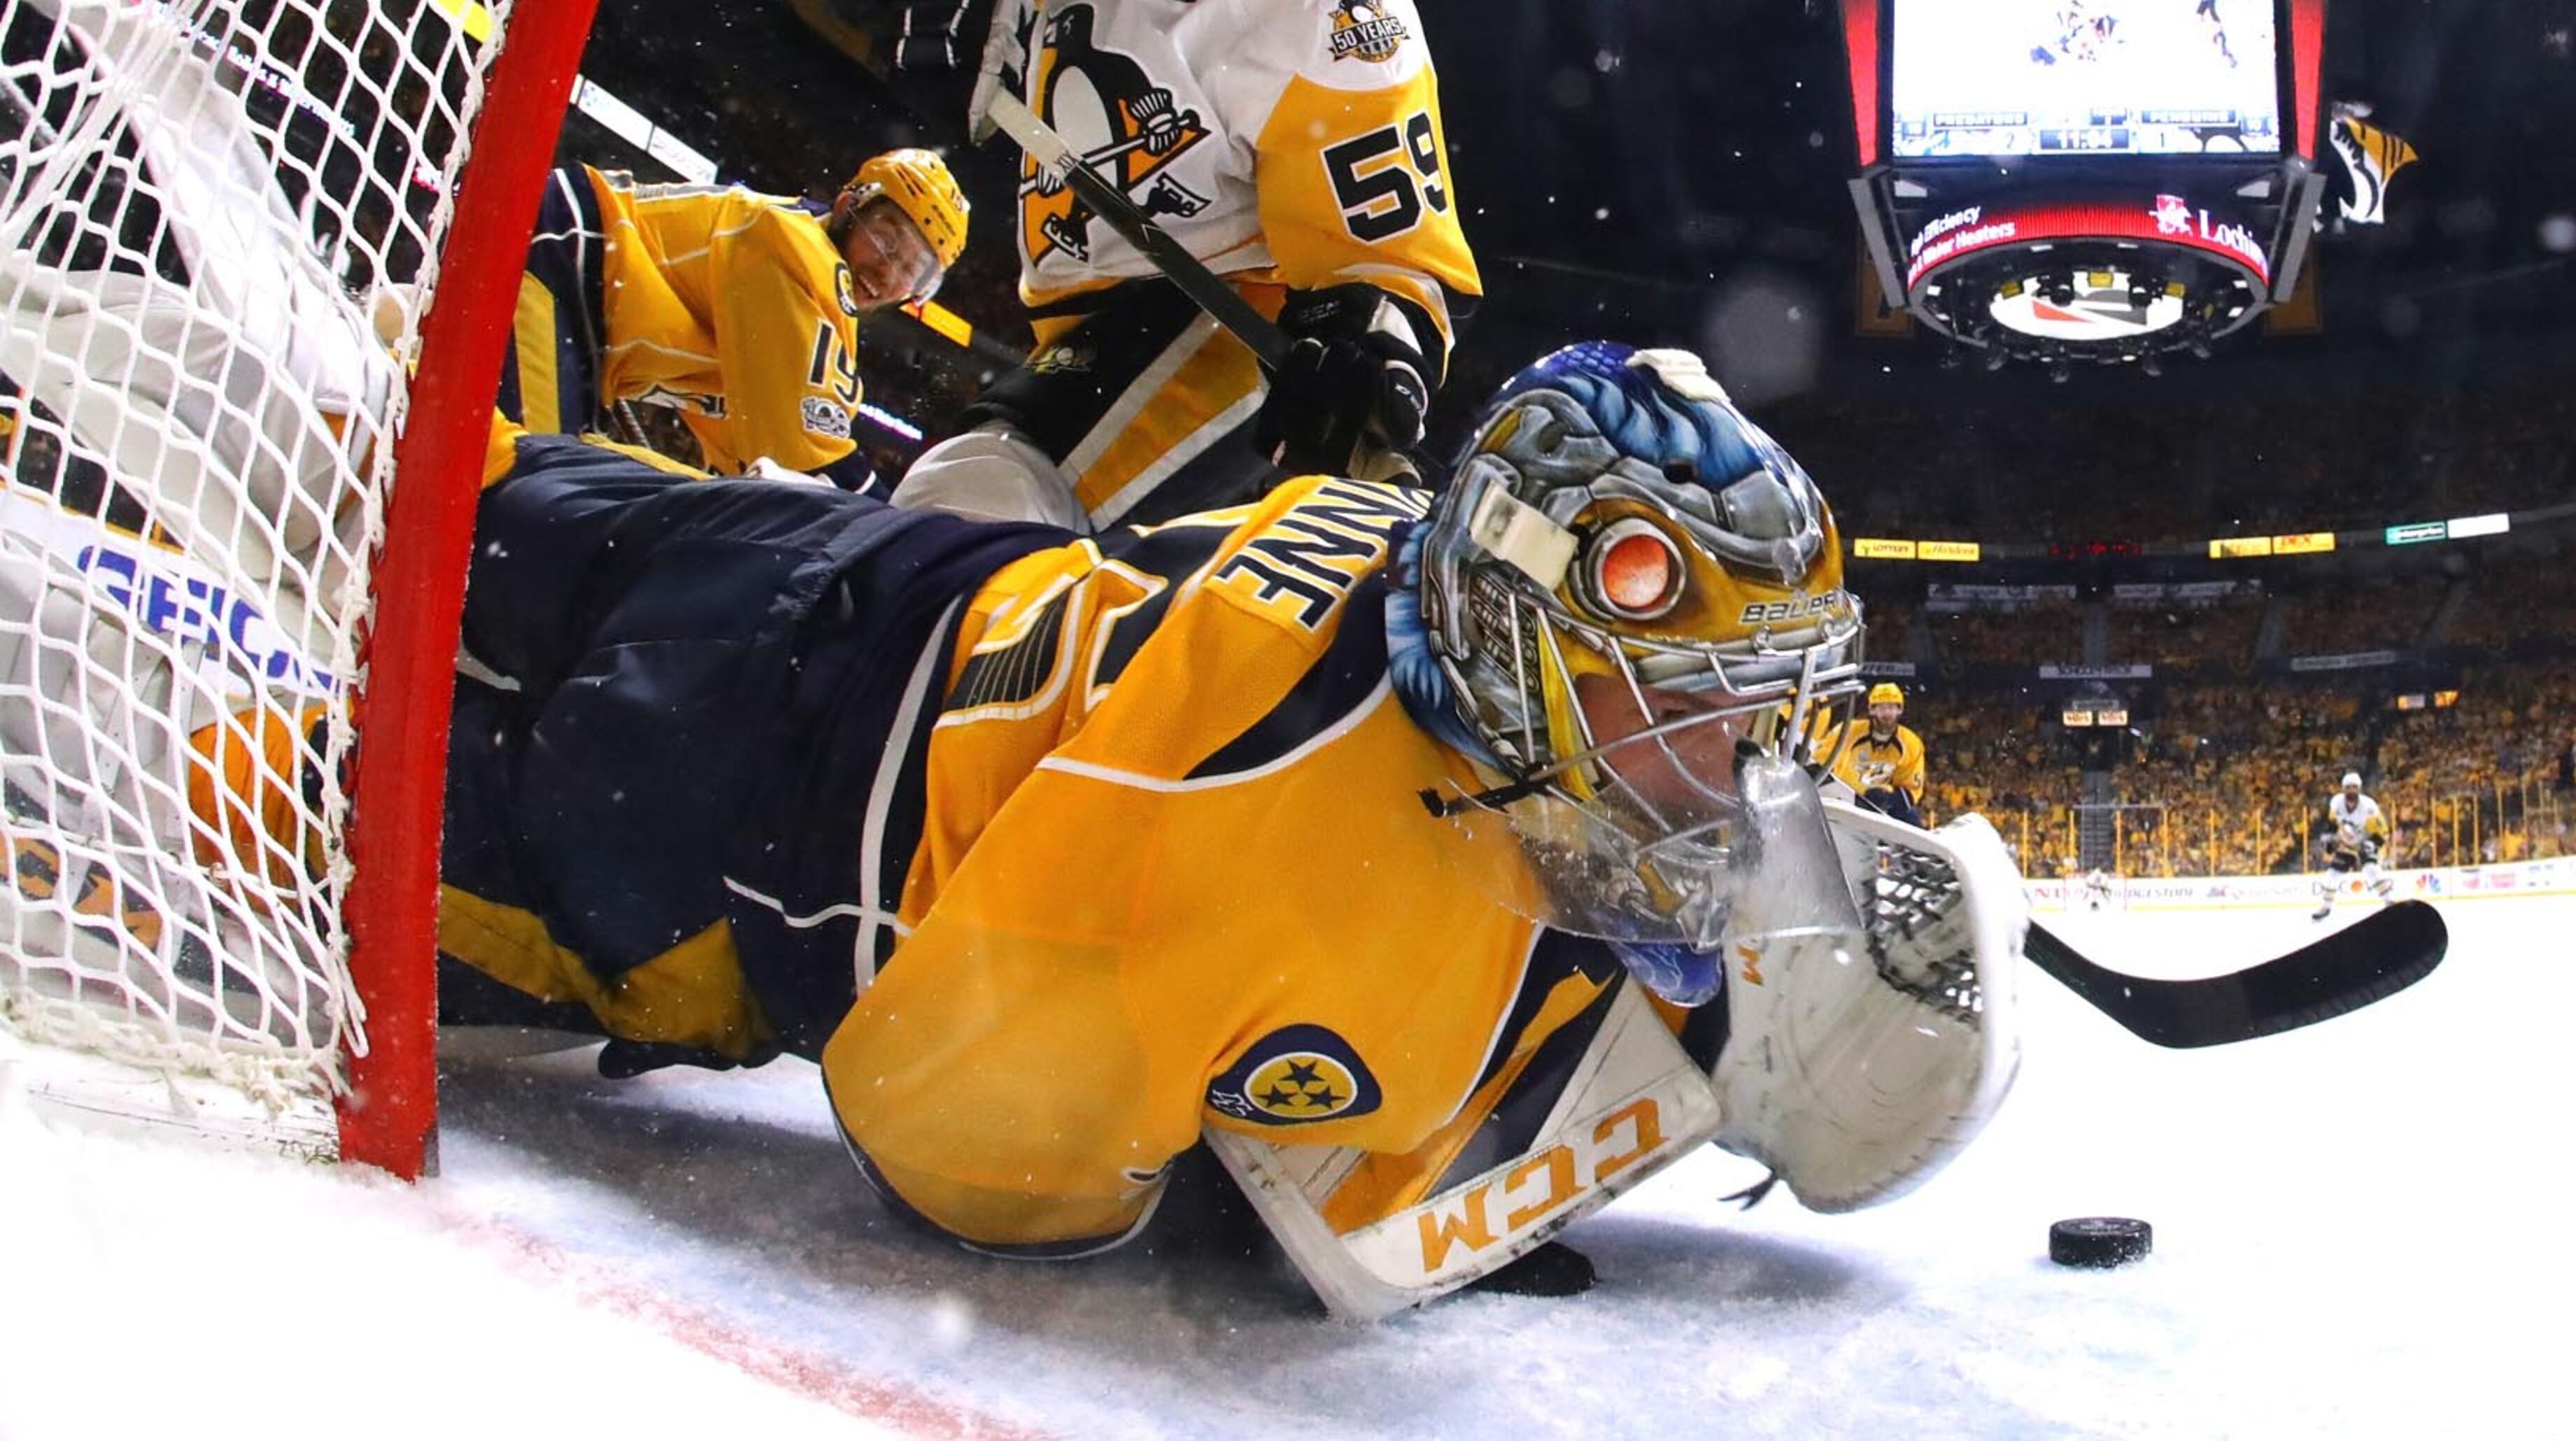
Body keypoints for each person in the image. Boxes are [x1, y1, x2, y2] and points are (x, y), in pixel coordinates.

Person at [5, 336, 2027, 1312]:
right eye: (1691, 708)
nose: (1733, 776)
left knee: (361, 461)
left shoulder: (1399, 563)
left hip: (810, 567)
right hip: (686, 826)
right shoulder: (1365, 956)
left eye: (1756, 723)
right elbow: (957, 1138)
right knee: (194, 787)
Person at [839, 0, 1480, 531]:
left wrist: (1370, 363)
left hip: (1221, 313)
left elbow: (1394, 263)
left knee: (978, 498)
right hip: (1072, 307)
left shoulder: (1350, 16)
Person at [503, 150, 970, 497]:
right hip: (569, 254)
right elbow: (809, 462)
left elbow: (753, 462)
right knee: (532, 491)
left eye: (913, 271)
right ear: (848, 205)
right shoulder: (796, 251)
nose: (889, 274)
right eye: (886, 242)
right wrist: (901, 536)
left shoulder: (805, 309)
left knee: (576, 494)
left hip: (586, 306)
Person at [1813, 681, 1928, 823]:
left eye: (1892, 707)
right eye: (1882, 708)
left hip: (1884, 807)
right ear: (1872, 710)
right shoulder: (1847, 731)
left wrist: (1888, 801)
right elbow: (1820, 764)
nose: (1887, 713)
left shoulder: (1911, 743)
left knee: (1912, 821)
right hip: (1846, 801)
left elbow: (1911, 789)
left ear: (1900, 710)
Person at [2312, 769, 2393, 922]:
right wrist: (2330, 842)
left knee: (2372, 870)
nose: (2351, 791)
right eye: (2348, 787)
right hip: (2346, 842)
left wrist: (2374, 844)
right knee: (2332, 875)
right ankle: (2326, 907)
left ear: (2359, 789)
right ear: (2343, 789)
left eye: (2354, 787)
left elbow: (2382, 830)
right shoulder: (2336, 802)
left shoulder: (2369, 806)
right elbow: (2333, 823)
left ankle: (2389, 902)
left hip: (2366, 840)